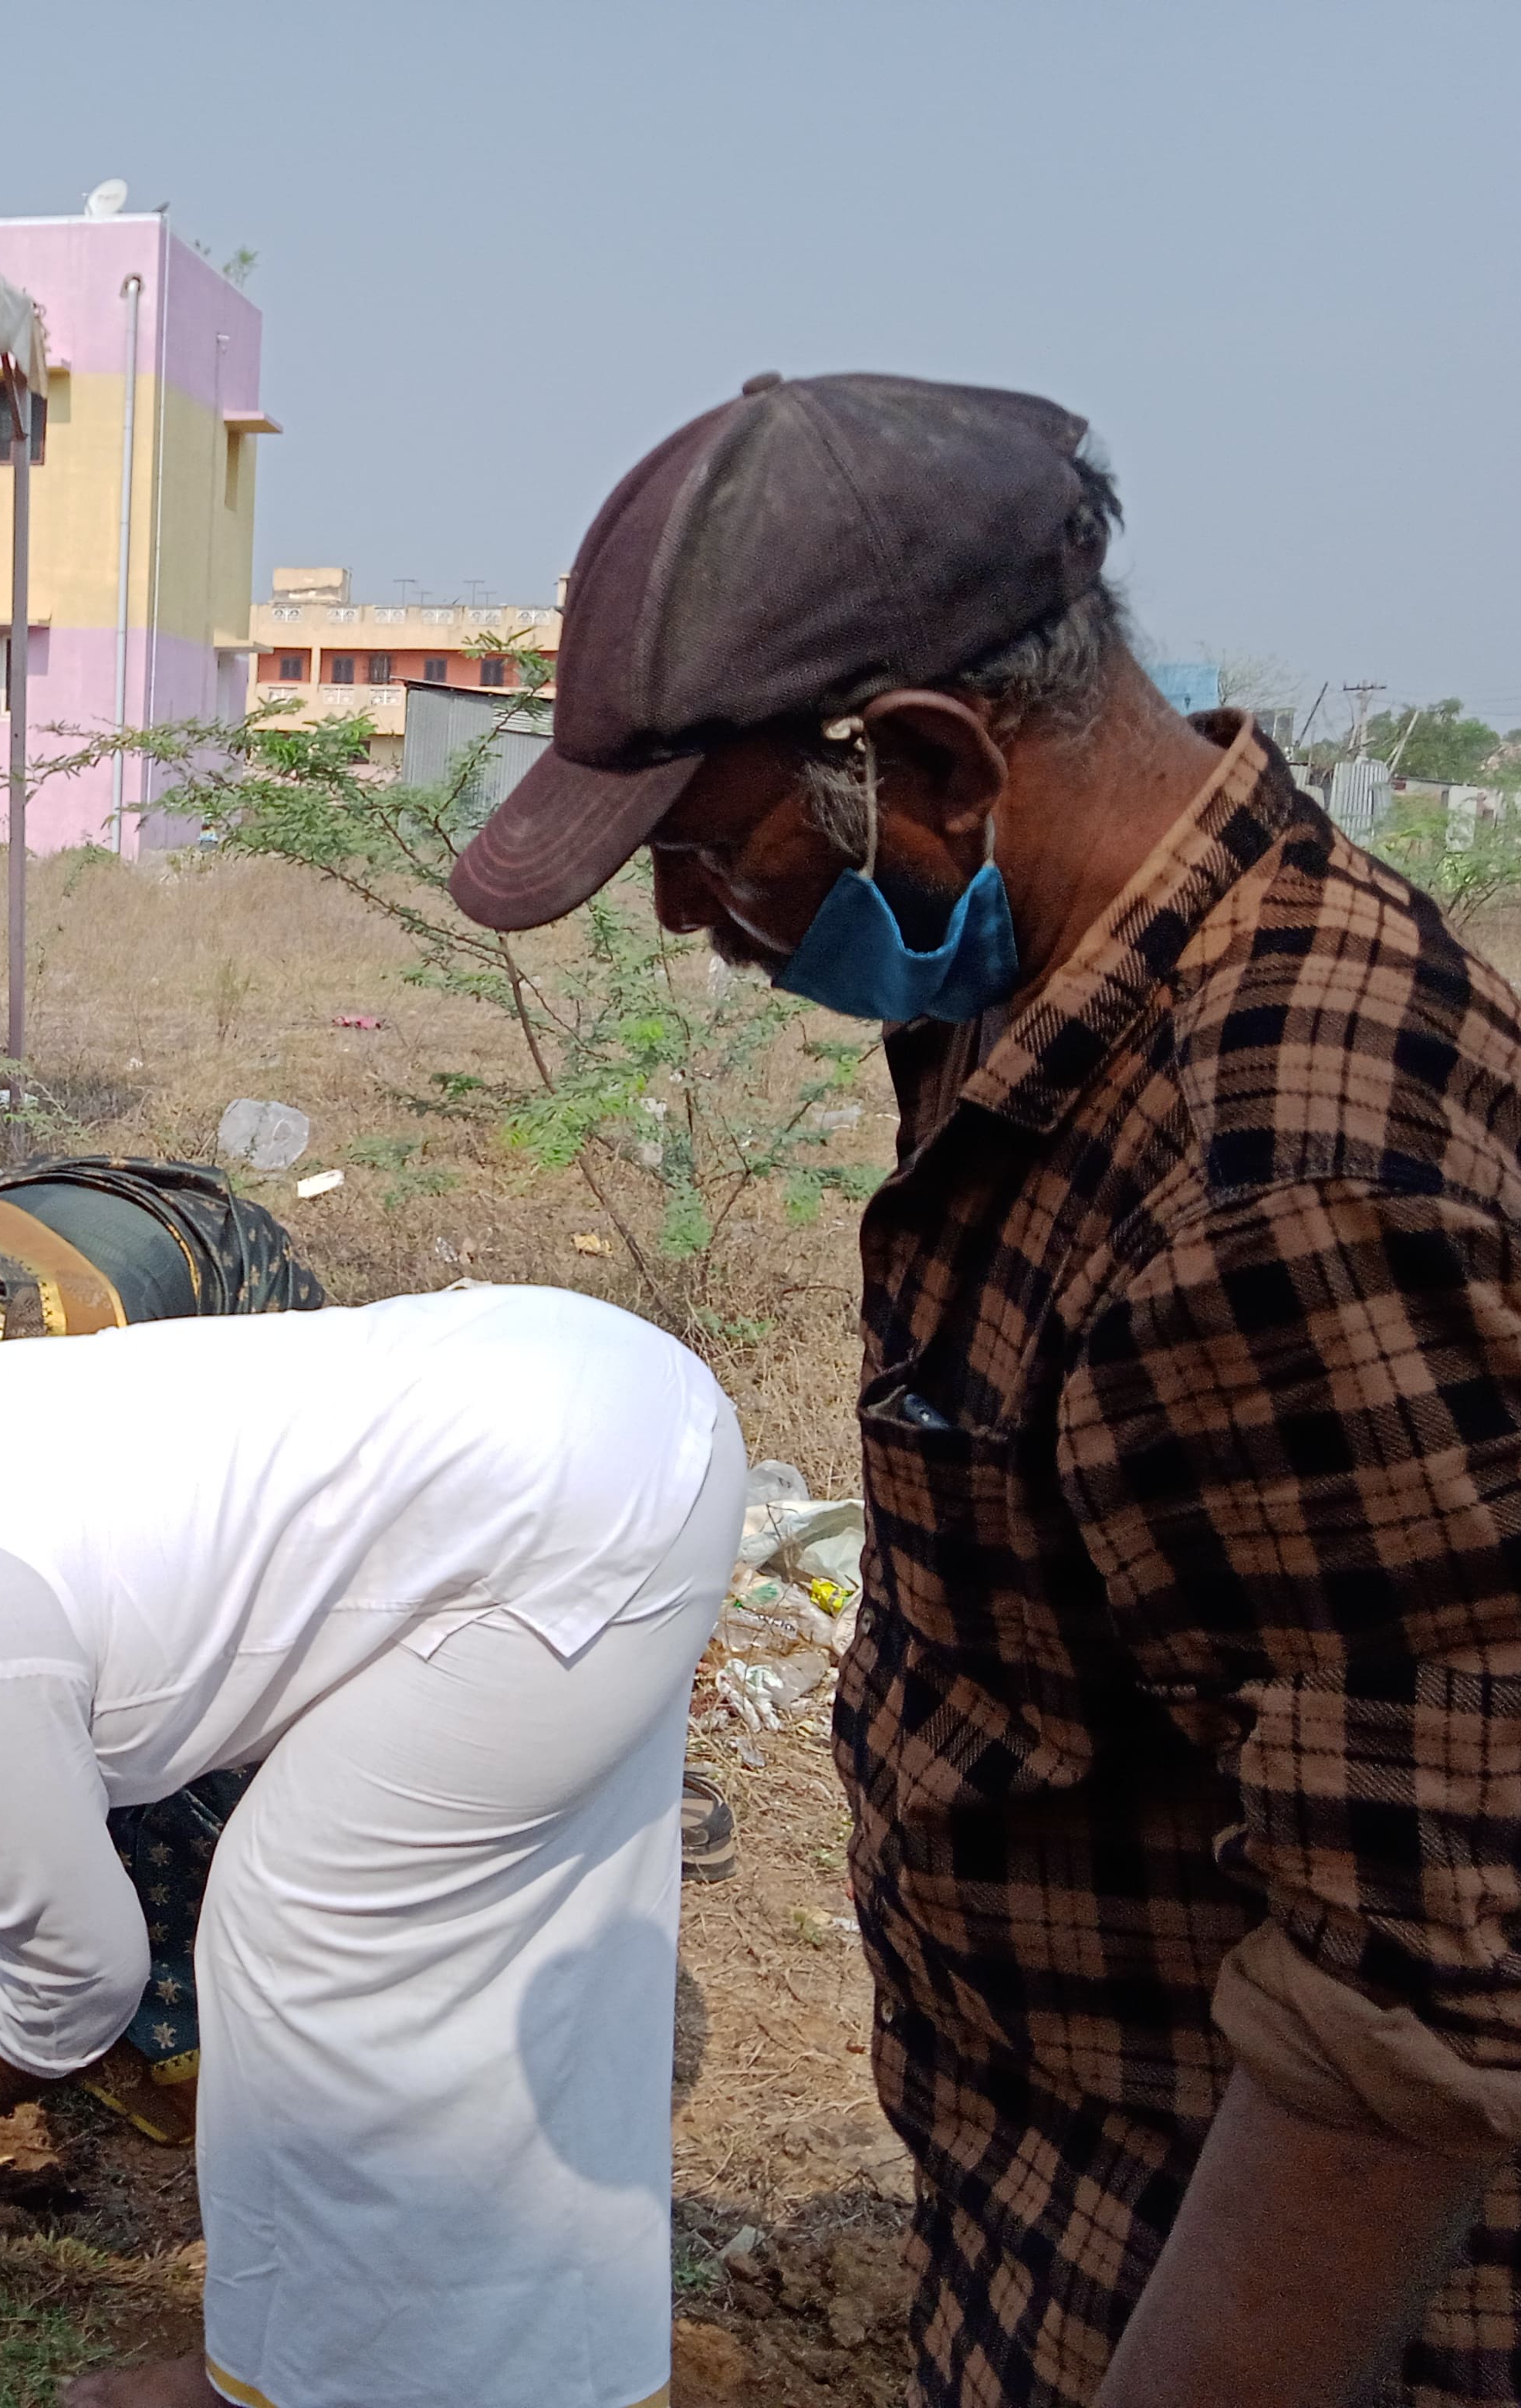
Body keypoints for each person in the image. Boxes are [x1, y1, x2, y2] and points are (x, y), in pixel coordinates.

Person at [445, 370, 1521, 2408]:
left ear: (932, 762)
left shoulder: (1278, 1185)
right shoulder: (1039, 986)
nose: (681, 916)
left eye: (708, 851)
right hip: (1055, 2215)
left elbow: (1413, 2000)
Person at [0, 1284, 745, 2408]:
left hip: (566, 1533)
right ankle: (523, 2354)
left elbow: (81, 1973)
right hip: (600, 1408)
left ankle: (311, 2380)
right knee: (492, 1949)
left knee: (297, 1938)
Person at [0, 1155, 324, 2141]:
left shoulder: (77, 1386)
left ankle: (179, 2025)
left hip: (224, 1314)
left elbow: (43, 1660)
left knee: (131, 1740)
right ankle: (18, 1973)